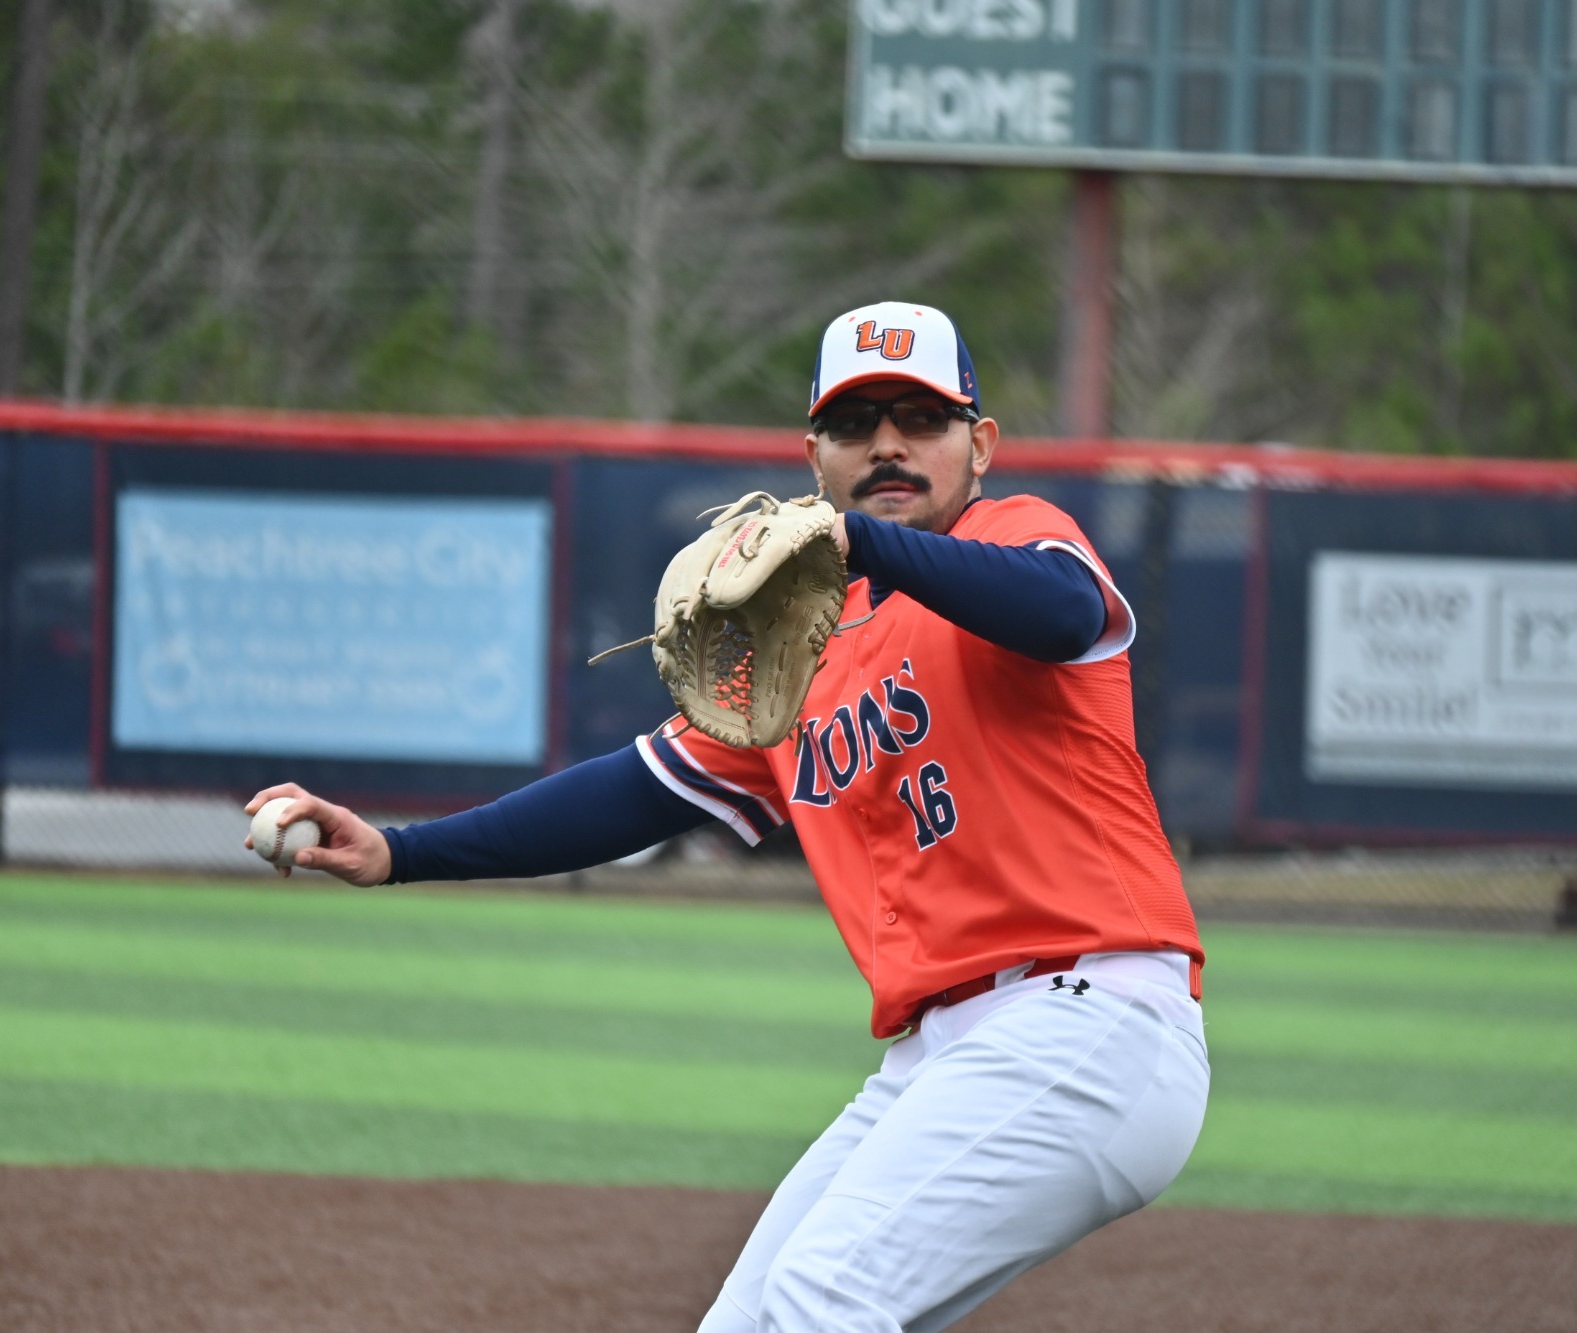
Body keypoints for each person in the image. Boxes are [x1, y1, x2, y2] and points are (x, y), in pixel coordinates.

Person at [245, 300, 1209, 1333]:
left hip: (1090, 1018)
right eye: (854, 422)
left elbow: (1061, 610)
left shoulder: (1018, 537)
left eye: (919, 416)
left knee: (818, 1303)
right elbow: (630, 790)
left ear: (979, 445)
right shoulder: (800, 656)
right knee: (748, 1322)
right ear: (812, 456)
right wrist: (400, 850)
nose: (886, 441)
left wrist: (858, 541)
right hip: (945, 1051)